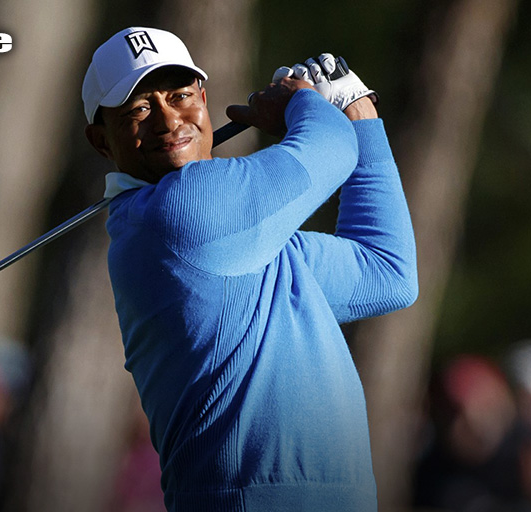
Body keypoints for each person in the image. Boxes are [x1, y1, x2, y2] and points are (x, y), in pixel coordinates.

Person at [83, 26, 417, 511]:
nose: (167, 120)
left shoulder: (242, 239)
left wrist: (359, 113)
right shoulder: (176, 213)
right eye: (138, 108)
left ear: (203, 97)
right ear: (100, 141)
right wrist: (302, 101)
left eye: (179, 95)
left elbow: (388, 273)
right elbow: (331, 149)